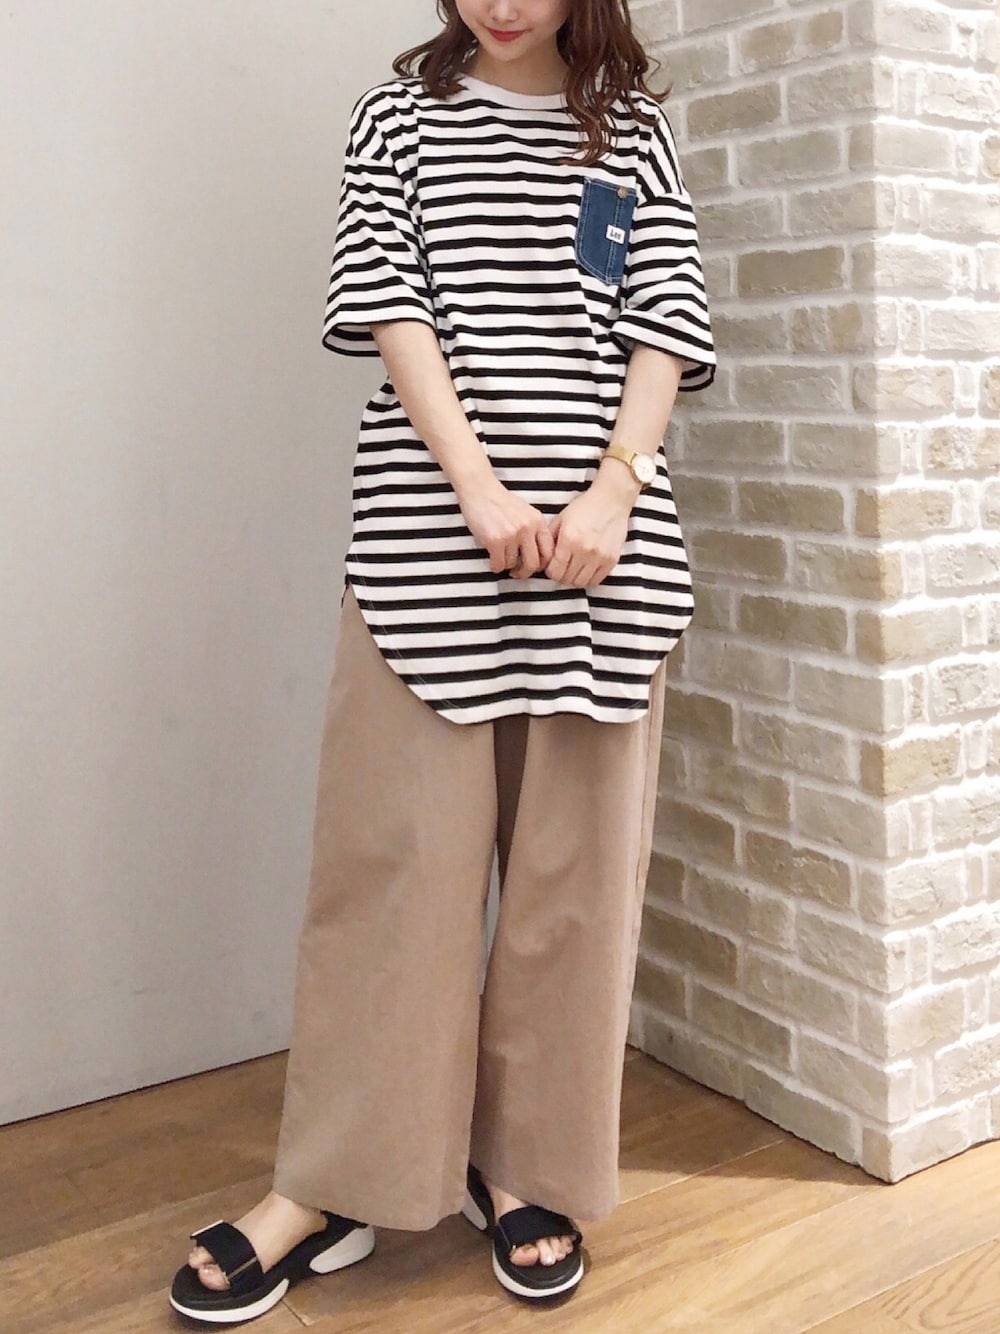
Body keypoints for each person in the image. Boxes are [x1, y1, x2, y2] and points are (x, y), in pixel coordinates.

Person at [169, 0, 715, 1321]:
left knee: (572, 891)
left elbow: (664, 319)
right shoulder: (399, 119)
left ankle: (523, 1167)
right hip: (431, 548)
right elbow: (390, 305)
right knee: (390, 877)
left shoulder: (631, 131)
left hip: (602, 558)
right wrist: (476, 487)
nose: (502, 2)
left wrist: (615, 493)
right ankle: (333, 1184)